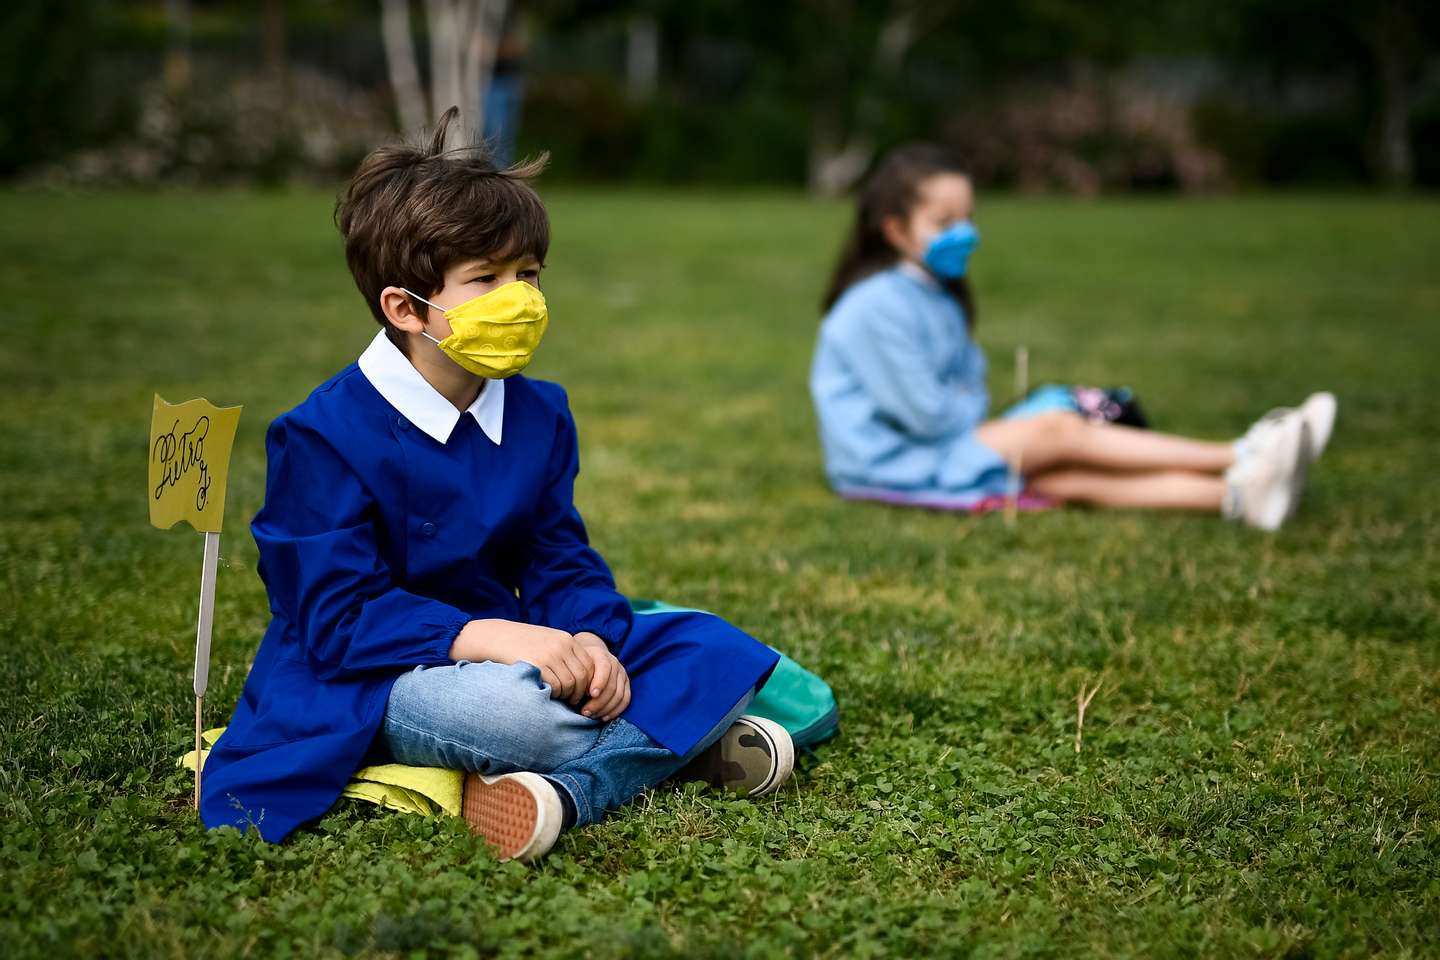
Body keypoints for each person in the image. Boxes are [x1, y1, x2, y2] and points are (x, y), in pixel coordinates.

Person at [200, 108, 793, 862]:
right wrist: (506, 639)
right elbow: (335, 615)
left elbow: (557, 558)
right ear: (405, 307)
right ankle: (670, 747)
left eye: (529, 276)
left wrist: (591, 639)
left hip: (529, 649)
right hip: (384, 673)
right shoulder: (321, 434)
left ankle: (569, 794)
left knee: (719, 648)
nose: (519, 297)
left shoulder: (539, 413)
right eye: (485, 279)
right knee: (526, 721)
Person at [809, 143, 1336, 531]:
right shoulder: (873, 306)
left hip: (938, 444)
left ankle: (1239, 496)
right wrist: (982, 413)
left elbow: (967, 389)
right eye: (944, 221)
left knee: (1062, 474)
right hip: (894, 462)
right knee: (1058, 430)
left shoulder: (937, 293)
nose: (963, 233)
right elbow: (928, 415)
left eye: (968, 217)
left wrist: (973, 408)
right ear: (896, 230)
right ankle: (1242, 450)